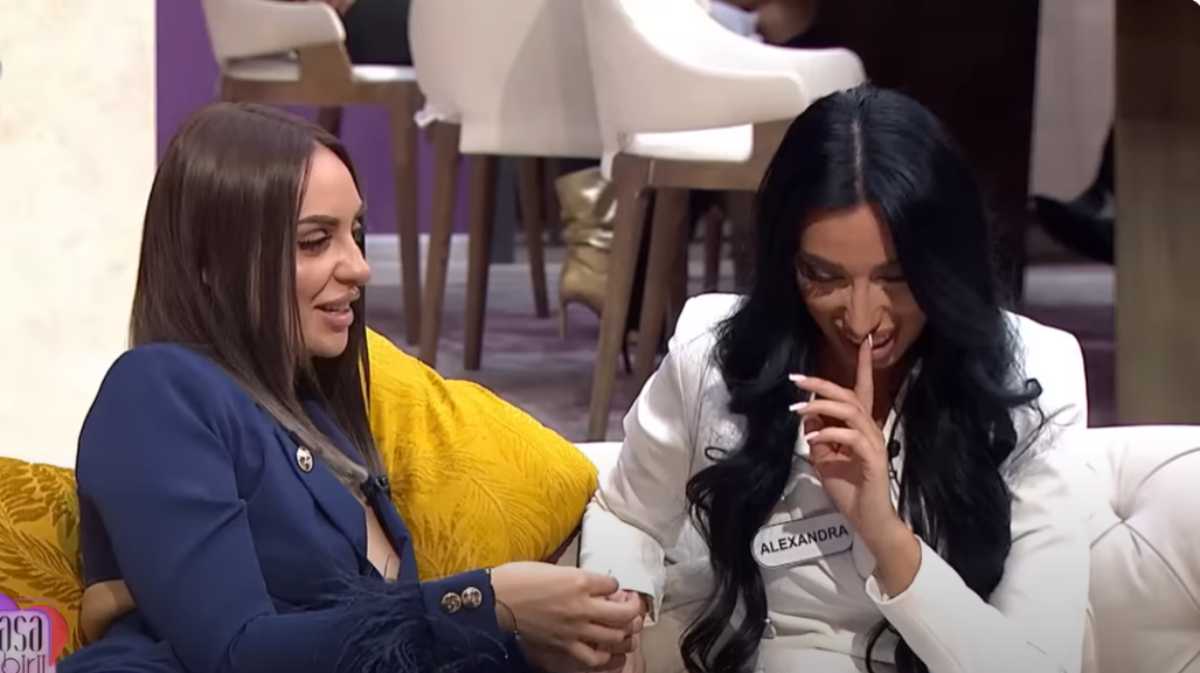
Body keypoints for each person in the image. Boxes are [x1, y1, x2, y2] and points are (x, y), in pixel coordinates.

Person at [60, 102, 642, 673]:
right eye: (315, 241)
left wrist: (533, 647)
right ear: (211, 262)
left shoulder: (316, 410)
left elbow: (376, 645)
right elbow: (235, 653)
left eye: (355, 233)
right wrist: (483, 603)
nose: (359, 266)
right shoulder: (158, 391)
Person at [581, 87, 1090, 673]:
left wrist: (883, 533)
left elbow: (1038, 665)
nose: (862, 318)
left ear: (946, 265)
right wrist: (623, 597)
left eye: (897, 278)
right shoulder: (715, 353)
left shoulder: (1037, 373)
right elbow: (627, 515)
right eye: (823, 276)